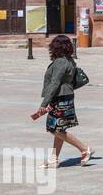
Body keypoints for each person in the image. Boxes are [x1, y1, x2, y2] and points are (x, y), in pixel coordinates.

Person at [30, 34, 94, 168]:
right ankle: (54, 158)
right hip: (66, 97)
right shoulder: (69, 60)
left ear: (55, 47)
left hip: (60, 98)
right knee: (60, 128)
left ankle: (84, 149)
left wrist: (44, 104)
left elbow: (55, 83)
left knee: (54, 129)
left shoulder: (60, 62)